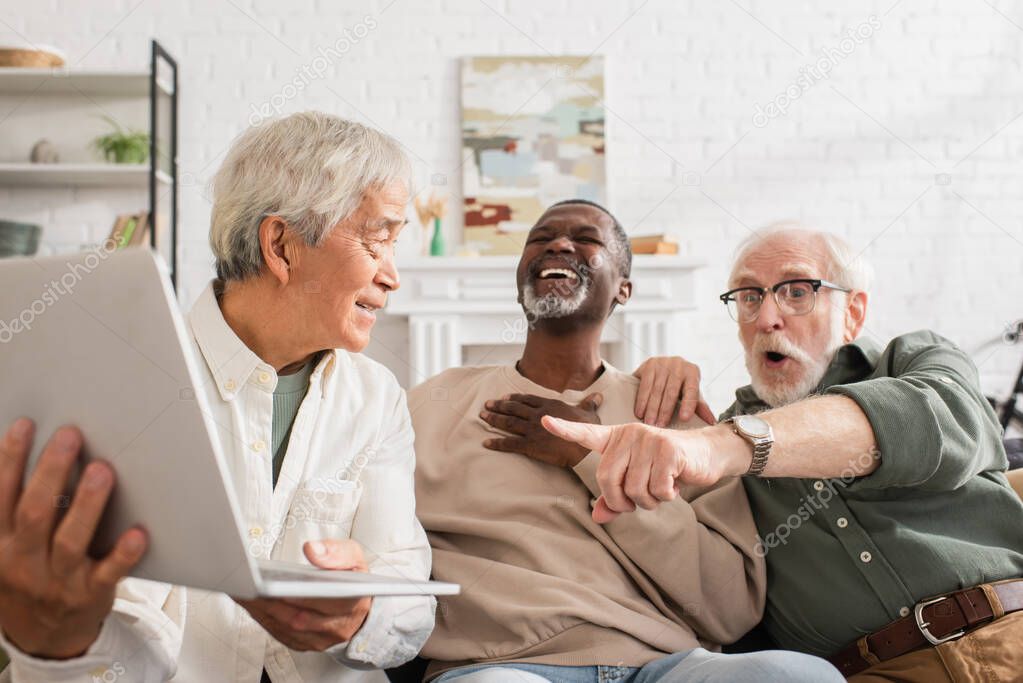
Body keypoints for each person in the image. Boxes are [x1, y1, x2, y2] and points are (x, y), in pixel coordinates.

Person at [0, 112, 435, 682]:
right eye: (378, 240)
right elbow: (112, 634)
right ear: (282, 246)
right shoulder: (128, 381)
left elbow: (408, 592)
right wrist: (60, 641)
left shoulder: (376, 397)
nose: (393, 276)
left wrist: (360, 616)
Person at [546, 223, 1023, 681]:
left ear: (853, 312)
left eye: (797, 291)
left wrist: (727, 445)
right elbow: (694, 580)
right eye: (749, 297)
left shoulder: (915, 361)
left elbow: (939, 425)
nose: (767, 318)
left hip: (1011, 624)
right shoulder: (711, 443)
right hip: (867, 673)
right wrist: (641, 394)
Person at [409, 203, 843, 682]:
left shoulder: (674, 415)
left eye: (586, 238)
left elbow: (731, 607)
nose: (558, 244)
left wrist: (594, 460)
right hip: (499, 665)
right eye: (542, 237)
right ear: (519, 277)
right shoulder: (431, 406)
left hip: (663, 667)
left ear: (624, 288)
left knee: (801, 677)